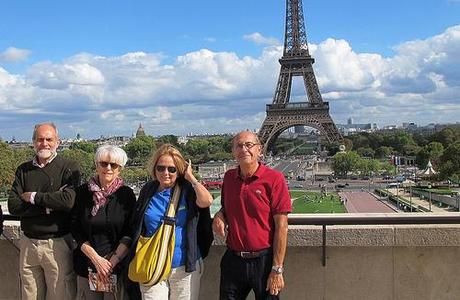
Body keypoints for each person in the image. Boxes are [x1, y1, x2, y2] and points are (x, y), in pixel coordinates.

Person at [213, 131, 292, 300]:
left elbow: (282, 227)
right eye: (238, 146)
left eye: (249, 145)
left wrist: (277, 269)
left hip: (264, 262)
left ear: (259, 150)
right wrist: (219, 214)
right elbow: (227, 207)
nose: (244, 149)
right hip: (233, 259)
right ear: (233, 151)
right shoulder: (228, 178)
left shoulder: (275, 179)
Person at [129, 144, 214, 300]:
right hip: (151, 263)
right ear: (154, 169)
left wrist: (191, 177)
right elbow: (137, 224)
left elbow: (207, 201)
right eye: (160, 168)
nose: (165, 173)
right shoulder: (148, 190)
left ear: (179, 170)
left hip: (184, 266)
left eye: (172, 169)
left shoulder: (188, 189)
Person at [8, 122, 81, 300]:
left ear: (58, 142)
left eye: (49, 139)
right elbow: (13, 206)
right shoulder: (24, 169)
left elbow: (68, 202)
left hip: (57, 244)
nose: (44, 143)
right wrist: (50, 206)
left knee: (60, 295)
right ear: (33, 142)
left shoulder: (69, 167)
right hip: (28, 243)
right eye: (40, 139)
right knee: (29, 296)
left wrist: (33, 197)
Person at [71, 145, 136, 299]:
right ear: (96, 165)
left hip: (116, 266)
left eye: (113, 165)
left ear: (120, 169)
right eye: (103, 163)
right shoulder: (82, 193)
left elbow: (129, 231)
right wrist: (96, 259)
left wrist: (111, 262)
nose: (108, 168)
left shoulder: (126, 195)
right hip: (87, 265)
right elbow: (76, 229)